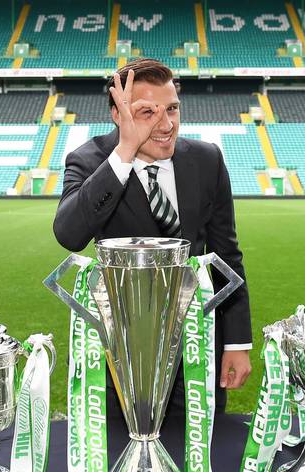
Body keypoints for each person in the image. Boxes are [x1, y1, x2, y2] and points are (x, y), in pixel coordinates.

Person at [53, 58, 252, 415]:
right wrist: (124, 153)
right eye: (148, 113)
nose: (166, 124)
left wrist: (236, 342)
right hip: (118, 356)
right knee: (122, 447)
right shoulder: (90, 160)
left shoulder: (207, 160)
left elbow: (226, 256)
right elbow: (69, 233)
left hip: (195, 352)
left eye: (172, 108)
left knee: (201, 446)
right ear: (118, 115)